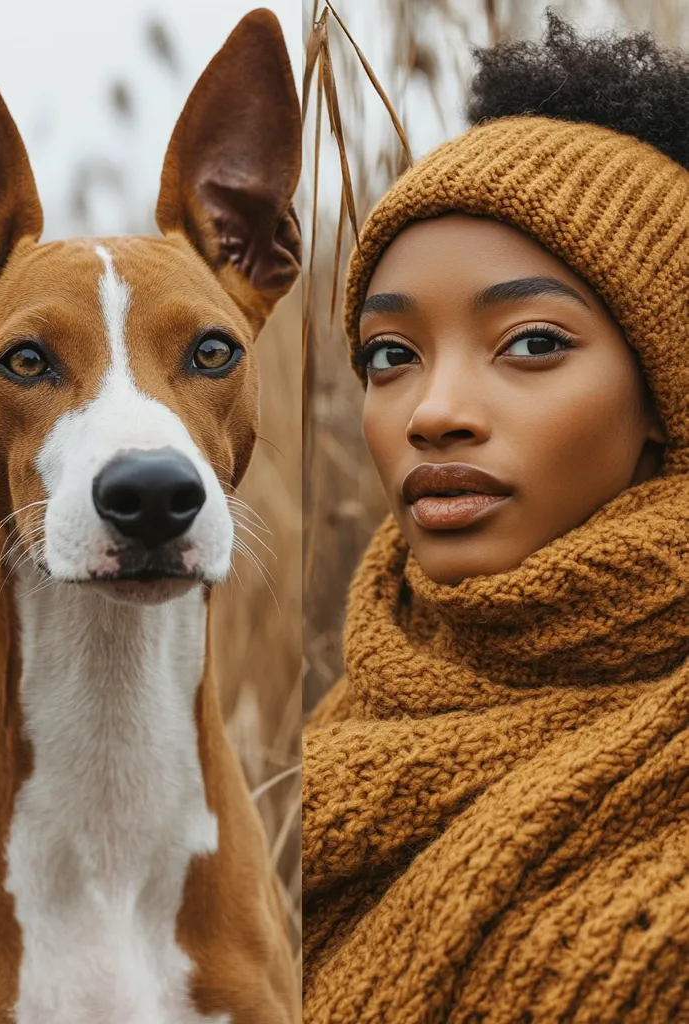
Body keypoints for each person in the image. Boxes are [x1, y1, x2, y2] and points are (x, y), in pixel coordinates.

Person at [303, 13, 689, 1023]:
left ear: (666, 394)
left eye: (528, 343)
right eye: (391, 355)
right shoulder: (317, 752)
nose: (432, 412)